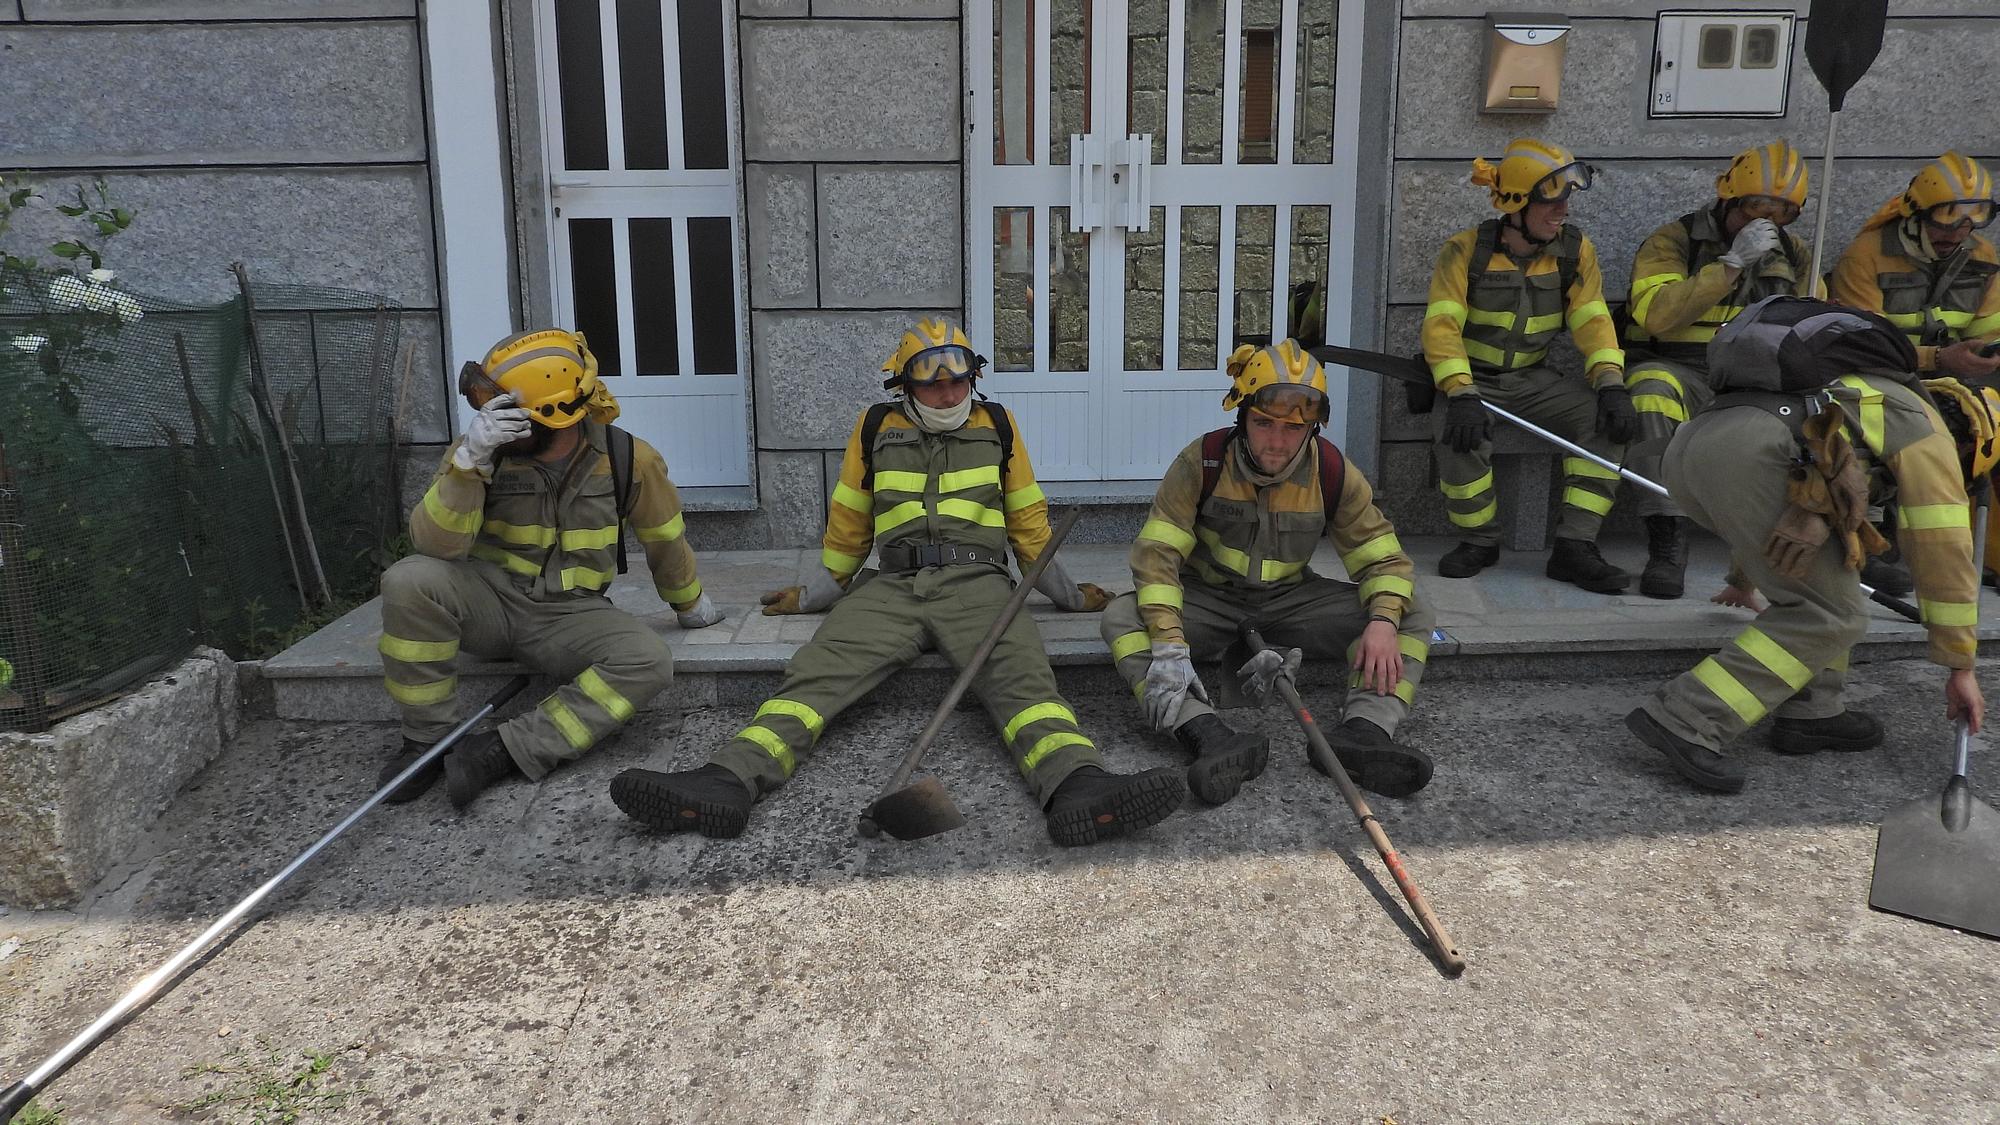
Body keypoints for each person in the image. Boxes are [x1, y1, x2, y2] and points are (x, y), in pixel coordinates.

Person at [607, 319, 1187, 845]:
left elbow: (1029, 526)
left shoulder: (999, 426)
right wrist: (815, 594)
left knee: (1021, 679)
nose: (948, 394)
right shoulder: (875, 427)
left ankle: (1078, 787)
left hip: (978, 583)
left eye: (960, 383)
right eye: (933, 385)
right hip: (891, 586)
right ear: (905, 386)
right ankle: (726, 779)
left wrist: (1067, 594)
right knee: (816, 673)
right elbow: (851, 522)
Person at [1625, 300, 1991, 793]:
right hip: (1750, 455)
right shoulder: (1928, 431)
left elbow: (1784, 510)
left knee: (1836, 571)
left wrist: (1743, 576)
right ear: (1976, 442)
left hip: (1696, 445)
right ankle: (1687, 716)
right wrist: (1960, 664)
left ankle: (1814, 712)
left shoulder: (1866, 391)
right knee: (1827, 614)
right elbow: (1941, 549)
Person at [376, 328, 723, 809]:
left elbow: (665, 539)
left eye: (511, 408)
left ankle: (499, 752)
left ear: (553, 416)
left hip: (570, 616)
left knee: (648, 660)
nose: (494, 417)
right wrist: (468, 463)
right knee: (408, 579)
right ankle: (428, 743)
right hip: (489, 603)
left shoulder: (629, 459)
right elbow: (435, 545)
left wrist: (690, 603)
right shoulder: (480, 450)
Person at [1099, 340, 1436, 802]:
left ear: (1312, 428)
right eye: (1263, 423)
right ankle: (1205, 734)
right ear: (1242, 416)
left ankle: (1364, 732)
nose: (1276, 441)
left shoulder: (1332, 471)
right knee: (1121, 618)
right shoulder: (1202, 462)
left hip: (1293, 600)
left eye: (1292, 429)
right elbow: (1156, 557)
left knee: (1410, 613)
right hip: (1210, 599)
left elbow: (1384, 559)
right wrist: (1170, 646)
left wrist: (1381, 621)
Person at [1423, 137, 1635, 594]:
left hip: (1535, 379)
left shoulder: (1576, 252)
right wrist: (1459, 393)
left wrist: (1611, 385)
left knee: (1602, 423)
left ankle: (1575, 547)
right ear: (1517, 203)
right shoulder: (1465, 252)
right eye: (1551, 202)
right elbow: (1441, 327)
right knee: (1457, 434)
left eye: (1566, 201)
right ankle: (1479, 540)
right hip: (1473, 379)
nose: (1562, 212)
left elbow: (1593, 320)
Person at [1622, 140, 1818, 599]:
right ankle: (1667, 539)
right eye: (1756, 206)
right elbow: (1655, 314)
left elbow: (1812, 322)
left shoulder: (1796, 252)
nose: (1767, 220)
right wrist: (1728, 267)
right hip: (1681, 368)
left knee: (1813, 414)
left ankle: (1769, 557)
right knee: (1650, 389)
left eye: (1783, 212)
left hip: (1756, 381)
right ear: (1730, 198)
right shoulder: (1674, 240)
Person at [1831, 152, 2000, 588]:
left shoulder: (1981, 256)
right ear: (1914, 215)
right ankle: (1880, 542)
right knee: (1894, 425)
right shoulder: (1867, 254)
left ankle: (1987, 554)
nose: (1956, 234)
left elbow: (1987, 332)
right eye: (1944, 223)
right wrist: (1938, 360)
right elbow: (1857, 343)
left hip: (1957, 380)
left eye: (1967, 224)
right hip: (1879, 376)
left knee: (1986, 423)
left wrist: (1981, 355)